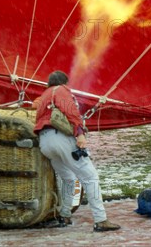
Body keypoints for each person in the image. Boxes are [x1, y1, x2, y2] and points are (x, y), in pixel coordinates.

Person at [34, 70, 121, 232]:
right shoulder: (62, 90)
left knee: (68, 178)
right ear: (64, 82)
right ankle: (101, 219)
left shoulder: (44, 95)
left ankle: (65, 214)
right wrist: (80, 134)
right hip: (60, 138)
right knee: (90, 177)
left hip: (45, 142)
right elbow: (71, 112)